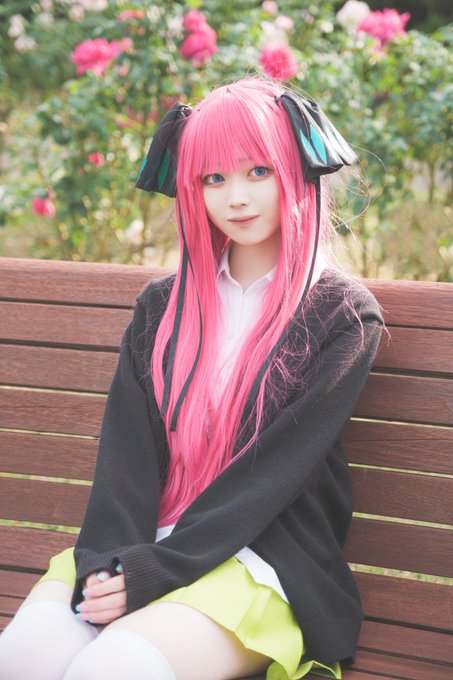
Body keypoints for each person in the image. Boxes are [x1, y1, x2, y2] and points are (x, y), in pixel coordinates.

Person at [0, 76, 383, 680]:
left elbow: (273, 475)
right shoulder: (162, 308)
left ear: (296, 170)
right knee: (24, 658)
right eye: (214, 178)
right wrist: (109, 561)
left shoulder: (341, 316)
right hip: (145, 543)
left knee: (115, 668)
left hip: (262, 560)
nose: (237, 197)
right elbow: (126, 451)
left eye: (258, 171)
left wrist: (156, 571)